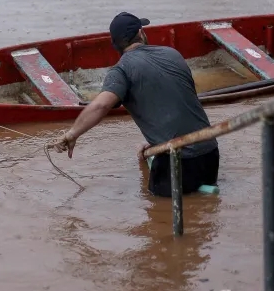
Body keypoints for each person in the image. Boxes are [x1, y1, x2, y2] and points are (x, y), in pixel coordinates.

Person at [49, 12, 220, 197]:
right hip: (210, 156)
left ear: (115, 45)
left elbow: (100, 106)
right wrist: (155, 142)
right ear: (141, 32)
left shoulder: (121, 71)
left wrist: (72, 134)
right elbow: (178, 104)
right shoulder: (173, 54)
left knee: (155, 214)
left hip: (178, 164)